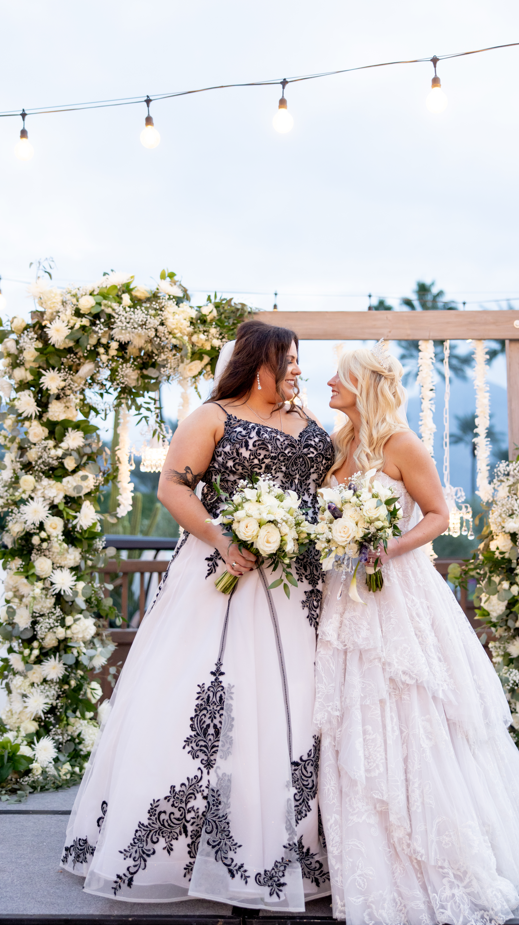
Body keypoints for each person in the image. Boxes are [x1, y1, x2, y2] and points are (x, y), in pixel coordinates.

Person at [61, 320, 334, 912]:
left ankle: (299, 841)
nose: (295, 369)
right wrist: (223, 535)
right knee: (220, 696)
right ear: (257, 362)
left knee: (301, 699)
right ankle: (196, 847)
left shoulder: (309, 420)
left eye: (297, 360)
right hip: (226, 575)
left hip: (302, 583)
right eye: (286, 359)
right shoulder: (211, 417)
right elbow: (173, 488)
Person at [315, 343, 519, 925]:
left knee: (407, 707)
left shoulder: (402, 444)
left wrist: (385, 547)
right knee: (350, 712)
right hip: (340, 596)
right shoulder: (340, 442)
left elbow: (438, 515)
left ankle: (425, 847)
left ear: (362, 384)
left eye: (338, 377)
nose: (327, 382)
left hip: (394, 592)